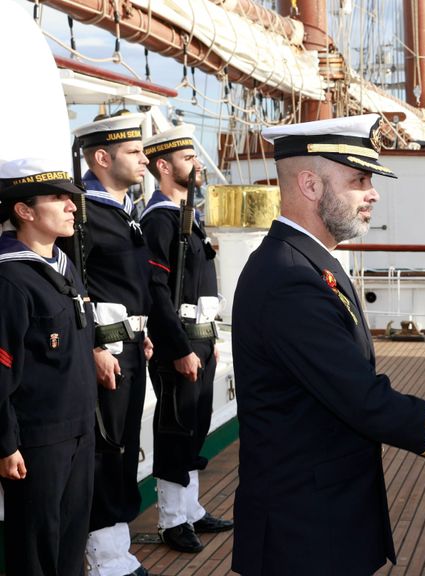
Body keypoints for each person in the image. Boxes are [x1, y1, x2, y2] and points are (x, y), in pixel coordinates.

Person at [230, 114, 425, 575]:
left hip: (323, 520)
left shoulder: (306, 263)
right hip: (304, 535)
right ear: (310, 185)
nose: (373, 193)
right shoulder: (290, 278)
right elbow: (365, 400)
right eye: (359, 180)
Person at [59, 113, 156, 576]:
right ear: (102, 157)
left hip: (133, 345)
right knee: (106, 448)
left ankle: (118, 549)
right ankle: (104, 559)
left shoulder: (123, 212)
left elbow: (128, 283)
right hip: (107, 352)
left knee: (125, 444)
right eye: (134, 152)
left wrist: (144, 329)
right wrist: (96, 345)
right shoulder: (83, 213)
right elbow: (72, 283)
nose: (144, 159)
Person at [139, 124, 234, 554]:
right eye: (188, 158)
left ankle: (190, 509)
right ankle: (173, 520)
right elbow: (156, 293)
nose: (197, 163)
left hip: (199, 339)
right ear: (164, 166)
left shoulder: (185, 218)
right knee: (177, 429)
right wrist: (177, 349)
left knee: (195, 427)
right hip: (178, 345)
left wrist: (206, 338)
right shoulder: (159, 220)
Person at [0, 158, 96, 576]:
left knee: (72, 542)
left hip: (79, 428)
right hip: (37, 441)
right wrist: (5, 444)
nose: (72, 206)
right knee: (36, 549)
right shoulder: (10, 281)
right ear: (24, 210)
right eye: (59, 198)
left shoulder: (63, 266)